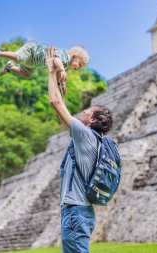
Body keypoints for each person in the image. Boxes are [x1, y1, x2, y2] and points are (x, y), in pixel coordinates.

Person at [45, 47, 114, 253]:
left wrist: (50, 70)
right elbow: (60, 109)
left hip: (75, 211)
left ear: (92, 120)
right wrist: (57, 80)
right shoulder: (91, 138)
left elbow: (54, 102)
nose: (83, 111)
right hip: (79, 211)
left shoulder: (84, 135)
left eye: (88, 111)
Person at [0, 41, 89, 94]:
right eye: (79, 64)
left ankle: (10, 67)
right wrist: (62, 70)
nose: (79, 68)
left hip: (34, 63)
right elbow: (56, 60)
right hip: (33, 51)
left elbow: (58, 75)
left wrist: (62, 85)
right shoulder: (65, 56)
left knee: (26, 74)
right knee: (19, 58)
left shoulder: (66, 67)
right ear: (74, 56)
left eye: (81, 67)